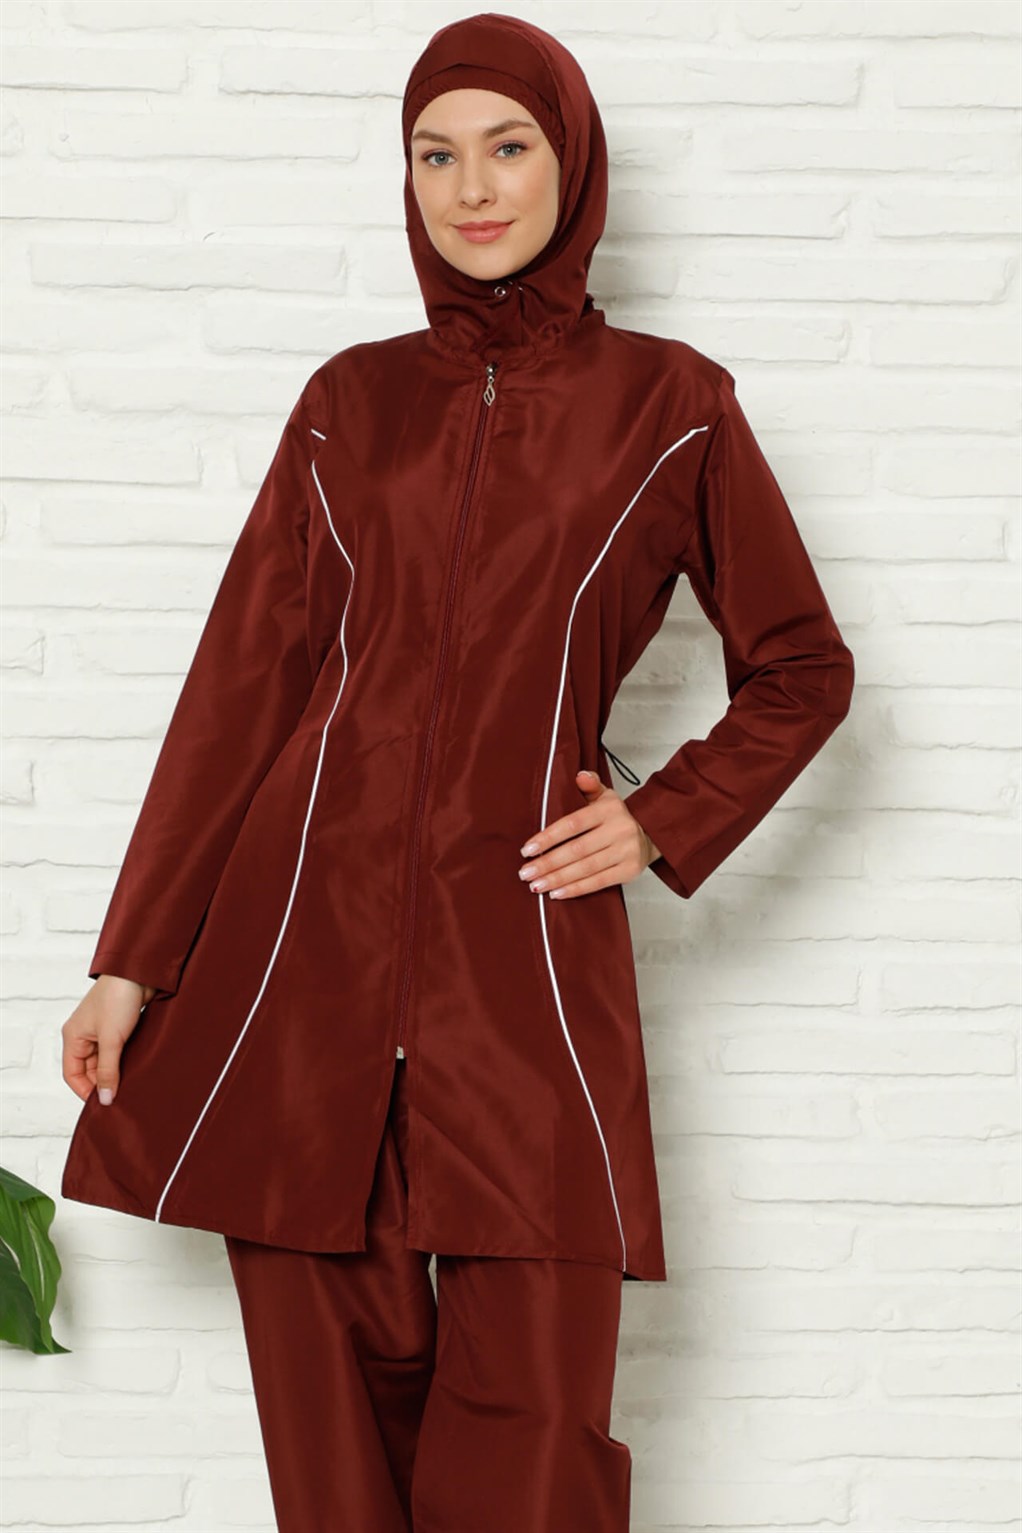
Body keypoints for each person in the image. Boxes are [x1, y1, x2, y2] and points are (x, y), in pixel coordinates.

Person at [59, 12, 854, 1531]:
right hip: (301, 980)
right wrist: (130, 963)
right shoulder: (348, 404)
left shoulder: (670, 403)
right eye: (435, 154)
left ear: (573, 164)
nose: (471, 188)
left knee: (536, 1447)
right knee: (336, 1470)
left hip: (524, 981)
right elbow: (241, 691)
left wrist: (662, 819)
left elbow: (803, 666)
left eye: (508, 147)